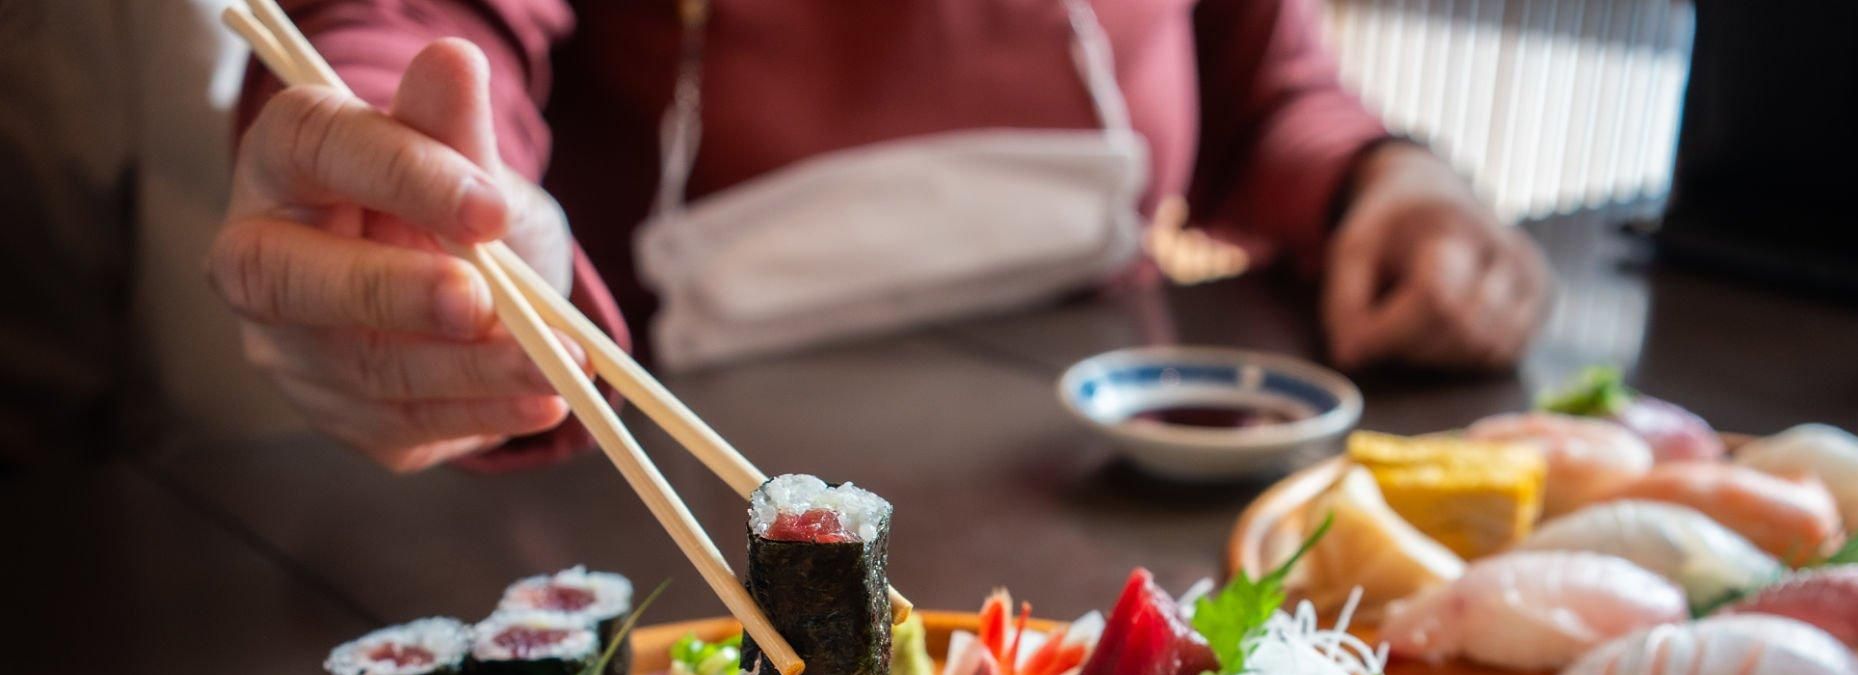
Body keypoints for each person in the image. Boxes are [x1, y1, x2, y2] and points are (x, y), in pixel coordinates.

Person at [210, 0, 1552, 472]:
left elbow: (1270, 86)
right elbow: (403, 27)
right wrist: (387, 186)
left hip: (1093, 474)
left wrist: (1388, 180)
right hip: (666, 502)